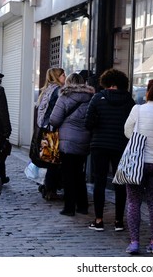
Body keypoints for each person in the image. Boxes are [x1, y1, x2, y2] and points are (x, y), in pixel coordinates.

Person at [123, 79, 153, 255]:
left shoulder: (138, 110)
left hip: (137, 162)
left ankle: (134, 242)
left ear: (148, 92)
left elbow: (127, 131)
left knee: (134, 202)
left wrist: (138, 138)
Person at [85, 68, 135, 231]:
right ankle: (118, 221)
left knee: (99, 181)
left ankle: (98, 220)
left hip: (99, 145)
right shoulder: (129, 100)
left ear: (106, 83)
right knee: (120, 182)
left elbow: (88, 124)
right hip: (121, 145)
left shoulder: (97, 98)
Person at [50, 73, 95, 216]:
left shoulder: (64, 97)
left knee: (68, 175)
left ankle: (69, 207)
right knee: (79, 174)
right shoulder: (91, 98)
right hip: (84, 141)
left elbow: (54, 120)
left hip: (67, 142)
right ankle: (82, 206)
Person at [35, 67, 66, 200]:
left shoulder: (46, 90)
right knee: (54, 161)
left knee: (50, 161)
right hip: (53, 130)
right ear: (57, 76)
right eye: (63, 75)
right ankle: (50, 189)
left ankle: (47, 186)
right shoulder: (58, 91)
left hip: (45, 129)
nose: (65, 77)